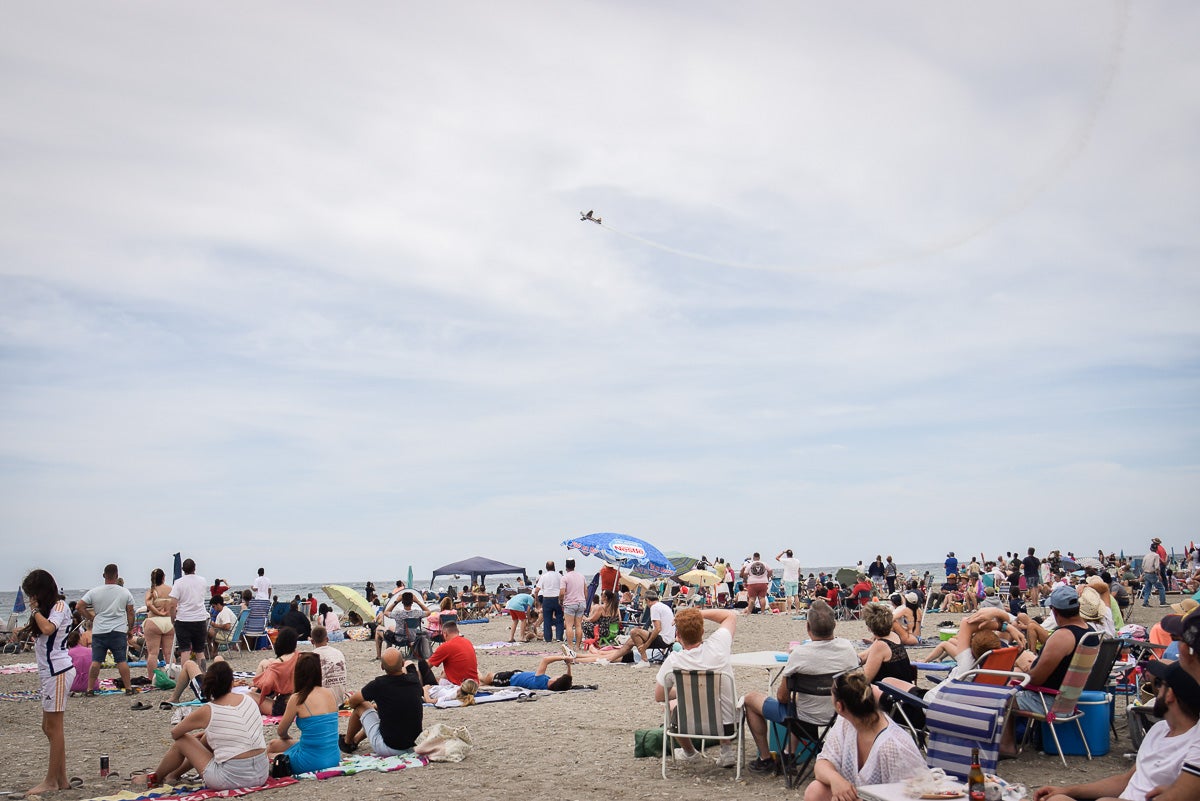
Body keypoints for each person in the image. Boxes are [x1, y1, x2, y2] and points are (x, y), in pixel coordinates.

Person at [1033, 660, 1200, 801]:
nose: (1154, 692)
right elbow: (1126, 780)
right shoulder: (1159, 729)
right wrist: (1067, 790)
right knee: (1057, 799)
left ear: (1170, 695)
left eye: (1157, 685)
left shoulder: (1194, 745)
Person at [743, 600, 860, 772]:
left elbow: (782, 697)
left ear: (808, 627)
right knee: (801, 701)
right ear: (834, 625)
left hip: (803, 719)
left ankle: (765, 758)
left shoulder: (800, 654)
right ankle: (787, 754)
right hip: (839, 715)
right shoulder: (848, 648)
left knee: (751, 699)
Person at [803, 669, 926, 801]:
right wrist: (836, 780)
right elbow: (822, 763)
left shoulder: (894, 746)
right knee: (816, 790)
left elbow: (913, 796)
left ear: (839, 706)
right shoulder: (845, 722)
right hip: (860, 796)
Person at [144, 661, 268, 789]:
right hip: (260, 772)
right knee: (206, 738)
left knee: (183, 741)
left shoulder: (209, 710)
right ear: (232, 682)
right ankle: (173, 775)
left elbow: (175, 733)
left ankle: (155, 778)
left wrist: (195, 739)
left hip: (231, 778)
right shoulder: (248, 699)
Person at [999, 585, 1091, 755]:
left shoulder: (1063, 636)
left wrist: (1023, 674)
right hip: (1069, 700)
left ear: (1054, 611)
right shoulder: (1090, 633)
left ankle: (1006, 747)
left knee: (1002, 697)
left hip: (1048, 701)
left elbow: (1036, 680)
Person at [654, 607, 739, 768]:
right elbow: (730, 615)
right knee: (720, 698)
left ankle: (690, 752)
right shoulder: (719, 646)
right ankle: (726, 750)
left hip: (688, 727)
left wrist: (685, 690)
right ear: (702, 631)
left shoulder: (674, 661)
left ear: (678, 636)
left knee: (671, 704)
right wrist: (698, 613)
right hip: (727, 726)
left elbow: (659, 695)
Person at [22, 569, 76, 796]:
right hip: (50, 672)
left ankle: (51, 780)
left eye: (32, 595)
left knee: (54, 728)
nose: (30, 600)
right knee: (48, 727)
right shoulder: (49, 610)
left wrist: (34, 611)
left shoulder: (60, 607)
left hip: (58, 670)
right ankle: (61, 778)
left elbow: (48, 628)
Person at [341, 648, 424, 756]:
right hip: (412, 744)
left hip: (389, 747)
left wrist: (372, 705)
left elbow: (352, 702)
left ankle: (347, 742)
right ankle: (355, 740)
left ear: (382, 667)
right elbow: (410, 664)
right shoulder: (414, 679)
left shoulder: (379, 684)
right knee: (386, 709)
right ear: (402, 663)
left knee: (362, 705)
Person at [267, 652, 340, 774]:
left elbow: (281, 731)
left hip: (309, 761)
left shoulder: (297, 698)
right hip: (333, 756)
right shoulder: (330, 693)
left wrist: (286, 737)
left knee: (271, 750)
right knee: (275, 744)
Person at [77, 563, 136, 696]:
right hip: (118, 630)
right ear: (117, 575)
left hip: (100, 630)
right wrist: (130, 628)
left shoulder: (94, 592)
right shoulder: (124, 592)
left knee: (96, 660)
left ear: (104, 575)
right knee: (121, 660)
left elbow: (79, 606)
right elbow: (131, 612)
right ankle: (128, 688)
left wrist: (91, 617)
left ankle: (90, 689)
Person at [248, 626, 298, 715]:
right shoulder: (299, 656)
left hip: (284, 706)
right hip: (299, 701)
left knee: (249, 696)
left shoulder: (278, 664)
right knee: (268, 662)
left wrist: (257, 685)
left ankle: (256, 691)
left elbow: (267, 685)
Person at [858, 603, 914, 683]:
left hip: (892, 692)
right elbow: (865, 655)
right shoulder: (893, 636)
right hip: (905, 688)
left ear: (869, 627)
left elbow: (865, 680)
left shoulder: (880, 645)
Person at [170, 558, 209, 664]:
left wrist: (172, 619)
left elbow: (173, 604)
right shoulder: (202, 581)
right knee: (200, 651)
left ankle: (186, 675)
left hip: (183, 619)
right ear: (194, 568)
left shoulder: (178, 583)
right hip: (200, 618)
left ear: (183, 569)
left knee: (185, 651)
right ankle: (202, 674)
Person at [143, 568, 175, 683]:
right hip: (168, 622)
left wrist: (158, 612)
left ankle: (152, 678)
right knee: (169, 653)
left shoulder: (152, 591)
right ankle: (172, 676)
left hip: (155, 621)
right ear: (163, 577)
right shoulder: (170, 590)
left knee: (153, 653)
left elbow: (149, 605)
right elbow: (175, 605)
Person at [482, 654, 575, 691]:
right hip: (516, 675)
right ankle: (478, 679)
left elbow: (545, 660)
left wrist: (563, 657)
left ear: (555, 681)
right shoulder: (547, 683)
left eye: (558, 676)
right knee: (486, 677)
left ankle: (480, 685)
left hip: (509, 679)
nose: (556, 675)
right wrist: (569, 666)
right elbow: (568, 680)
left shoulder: (541, 681)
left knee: (490, 676)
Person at [426, 619, 478, 684]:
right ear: (458, 631)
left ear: (445, 634)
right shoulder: (467, 642)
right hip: (473, 683)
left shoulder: (446, 646)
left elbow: (426, 666)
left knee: (432, 681)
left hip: (458, 686)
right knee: (444, 673)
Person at [309, 625, 349, 703]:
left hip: (323, 702)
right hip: (340, 698)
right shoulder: (338, 653)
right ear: (327, 639)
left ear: (312, 641)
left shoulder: (312, 656)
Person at [561, 559, 588, 651]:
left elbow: (562, 592)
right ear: (574, 565)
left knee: (569, 625)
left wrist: (561, 601)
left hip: (570, 603)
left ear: (566, 566)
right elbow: (585, 591)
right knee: (578, 625)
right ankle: (577, 645)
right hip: (581, 602)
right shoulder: (581, 576)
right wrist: (585, 600)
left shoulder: (565, 577)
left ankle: (570, 646)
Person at [535, 561, 564, 642]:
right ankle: (559, 637)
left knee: (547, 619)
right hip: (557, 598)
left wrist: (536, 601)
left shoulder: (543, 576)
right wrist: (562, 599)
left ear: (546, 567)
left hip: (547, 598)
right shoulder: (559, 575)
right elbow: (563, 588)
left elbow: (536, 590)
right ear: (554, 567)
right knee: (559, 618)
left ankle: (548, 638)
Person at [1142, 542, 1167, 607]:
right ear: (1156, 549)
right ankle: (1162, 602)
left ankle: (1145, 602)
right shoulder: (1156, 555)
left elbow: (1143, 566)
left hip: (1146, 573)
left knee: (1147, 588)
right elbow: (1157, 567)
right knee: (1161, 587)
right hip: (1152, 574)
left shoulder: (1146, 555)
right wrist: (1159, 575)